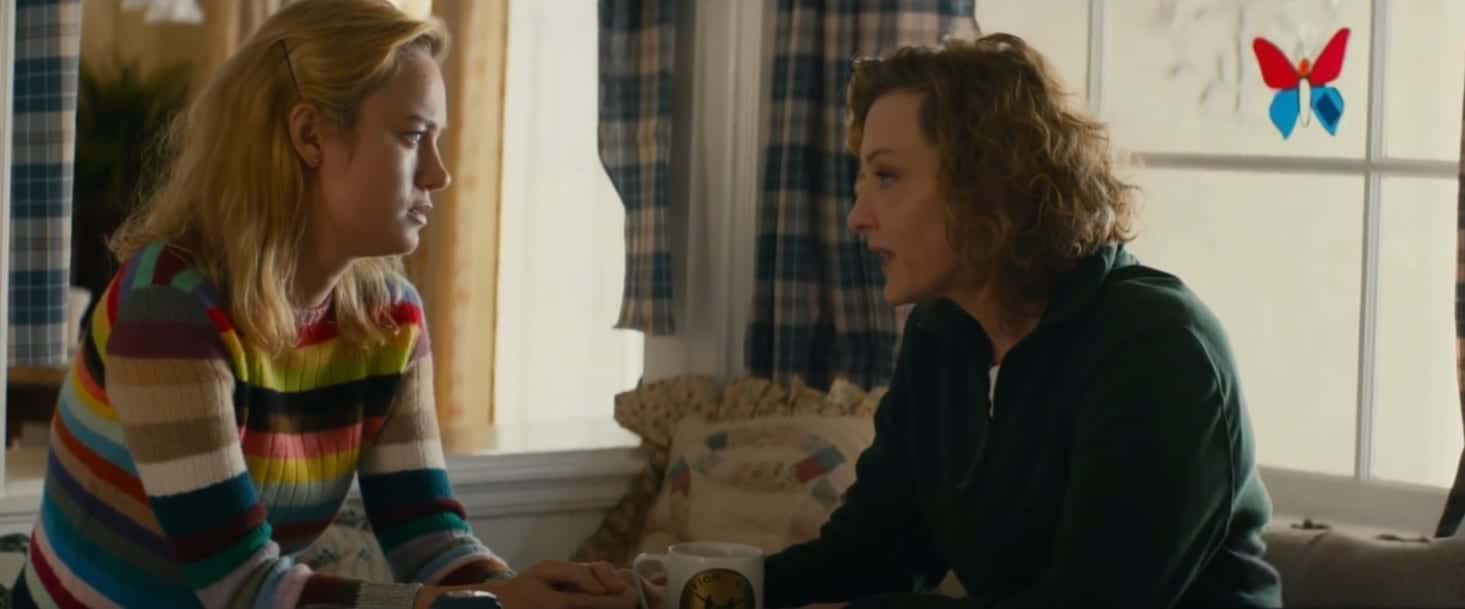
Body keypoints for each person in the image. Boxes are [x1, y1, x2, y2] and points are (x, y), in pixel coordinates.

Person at [8, 2, 639, 609]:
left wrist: (530, 595)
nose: (439, 174)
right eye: (413, 137)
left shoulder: (390, 318)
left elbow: (428, 536)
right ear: (310, 135)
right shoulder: (169, 308)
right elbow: (241, 588)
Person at [758, 34, 1284, 608]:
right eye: (861, 182)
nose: (858, 217)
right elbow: (870, 554)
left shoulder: (1157, 347)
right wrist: (703, 587)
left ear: (987, 185)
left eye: (886, 177)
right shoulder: (940, 335)